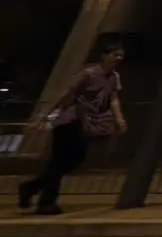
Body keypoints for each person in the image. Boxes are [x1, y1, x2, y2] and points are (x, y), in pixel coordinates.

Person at [19, 37, 127, 215]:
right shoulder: (89, 74)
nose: (119, 58)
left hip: (87, 123)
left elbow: (113, 98)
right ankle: (46, 202)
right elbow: (67, 94)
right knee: (58, 161)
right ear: (104, 56)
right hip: (70, 120)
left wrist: (119, 119)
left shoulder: (114, 77)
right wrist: (44, 117)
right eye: (115, 55)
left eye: (121, 55)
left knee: (75, 158)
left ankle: (31, 187)